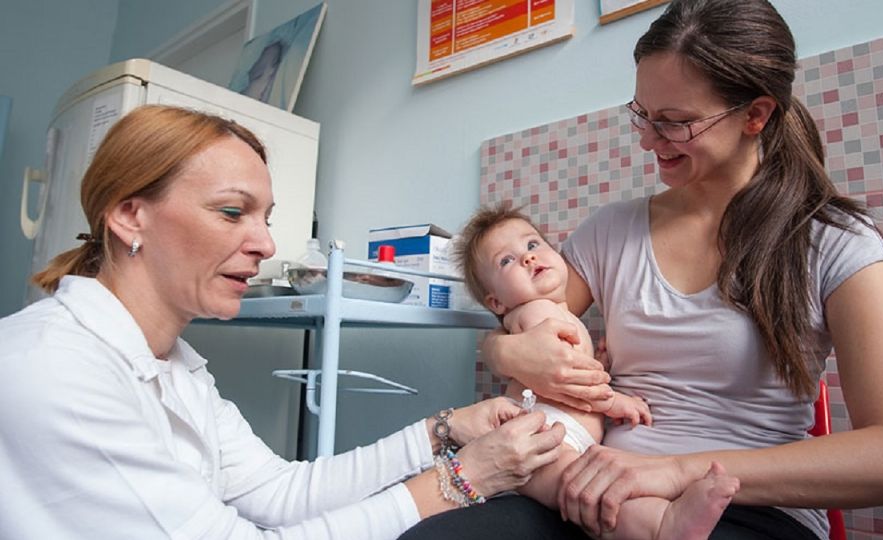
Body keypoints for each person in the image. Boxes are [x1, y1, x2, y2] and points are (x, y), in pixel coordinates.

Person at [403, 1, 883, 539]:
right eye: (642, 114)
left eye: (675, 123)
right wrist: (502, 349)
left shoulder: (832, 242)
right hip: (594, 495)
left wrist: (678, 471)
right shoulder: (612, 232)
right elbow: (524, 317)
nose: (647, 139)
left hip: (747, 511)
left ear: (756, 115)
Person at [0, 105, 567, 539]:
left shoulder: (172, 366)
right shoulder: (56, 369)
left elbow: (277, 492)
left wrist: (443, 431)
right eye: (231, 212)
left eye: (266, 219)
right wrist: (461, 478)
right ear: (130, 214)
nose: (266, 244)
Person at [451, 204, 740, 539]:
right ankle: (662, 525)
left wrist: (598, 366)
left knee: (589, 486)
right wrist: (613, 401)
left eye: (532, 245)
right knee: (583, 490)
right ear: (496, 303)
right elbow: (572, 378)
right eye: (506, 260)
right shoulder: (535, 313)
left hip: (562, 437)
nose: (527, 258)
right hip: (542, 441)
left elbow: (564, 373)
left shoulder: (554, 313)